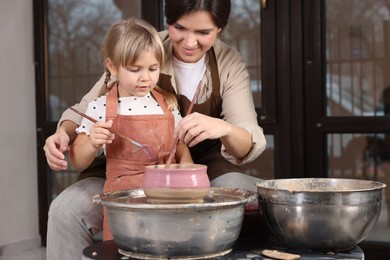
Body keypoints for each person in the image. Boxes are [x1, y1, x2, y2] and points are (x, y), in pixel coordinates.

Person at [44, 0, 267, 259]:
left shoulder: (229, 62)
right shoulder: (143, 46)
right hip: (121, 166)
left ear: (220, 29)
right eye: (179, 28)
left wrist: (222, 128)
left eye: (203, 32)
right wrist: (63, 134)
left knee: (255, 198)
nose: (189, 42)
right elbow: (83, 110)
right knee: (65, 210)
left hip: (197, 165)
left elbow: (246, 136)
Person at [68, 18, 193, 241]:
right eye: (135, 69)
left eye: (153, 68)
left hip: (167, 196)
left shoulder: (167, 103)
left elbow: (179, 143)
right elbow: (77, 161)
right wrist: (92, 143)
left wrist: (186, 165)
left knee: (167, 248)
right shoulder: (100, 107)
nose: (145, 77)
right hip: (123, 203)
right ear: (112, 66)